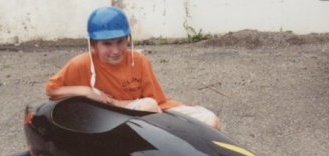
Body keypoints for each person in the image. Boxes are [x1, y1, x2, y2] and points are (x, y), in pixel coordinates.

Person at [45, 6, 222, 130]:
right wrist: (85, 91)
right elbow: (52, 90)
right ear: (93, 44)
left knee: (210, 120)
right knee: (148, 106)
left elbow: (156, 104)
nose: (115, 51)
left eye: (120, 42)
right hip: (113, 122)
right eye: (107, 44)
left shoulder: (139, 60)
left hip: (149, 115)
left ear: (128, 39)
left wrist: (112, 101)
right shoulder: (81, 63)